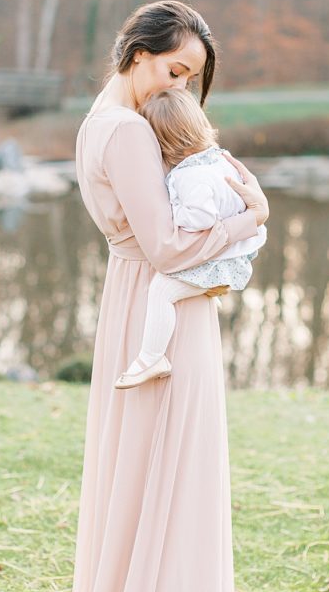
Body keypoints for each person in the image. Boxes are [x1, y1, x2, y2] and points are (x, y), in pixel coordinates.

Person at [46, 0, 269, 592]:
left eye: (191, 80)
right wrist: (249, 217)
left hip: (137, 300)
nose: (179, 89)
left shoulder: (99, 122)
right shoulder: (127, 135)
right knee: (166, 471)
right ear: (137, 52)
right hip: (162, 313)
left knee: (144, 473)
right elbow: (169, 248)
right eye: (174, 70)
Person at [114, 88, 267, 389]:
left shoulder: (188, 176)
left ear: (162, 142)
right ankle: (202, 290)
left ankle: (151, 357)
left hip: (219, 260)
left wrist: (175, 211)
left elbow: (201, 219)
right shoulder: (221, 158)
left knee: (160, 291)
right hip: (234, 251)